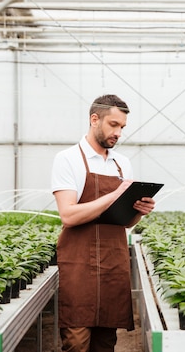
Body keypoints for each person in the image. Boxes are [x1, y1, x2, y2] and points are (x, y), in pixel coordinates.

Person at [51, 94, 156, 352]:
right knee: (77, 342)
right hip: (79, 265)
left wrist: (140, 211)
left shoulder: (122, 164)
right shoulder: (68, 159)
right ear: (94, 119)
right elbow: (68, 215)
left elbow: (124, 222)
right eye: (113, 124)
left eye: (122, 127)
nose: (118, 133)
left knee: (106, 342)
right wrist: (114, 195)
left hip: (112, 262)